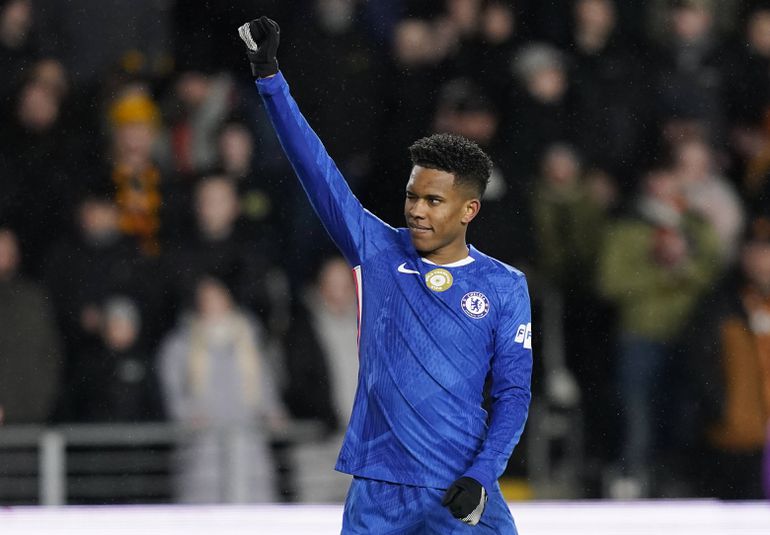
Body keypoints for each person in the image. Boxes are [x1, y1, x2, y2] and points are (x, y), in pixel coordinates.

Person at [235, 16, 532, 532]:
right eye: (412, 196)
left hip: (462, 488)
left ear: (468, 211)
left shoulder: (504, 286)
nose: (416, 210)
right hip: (379, 491)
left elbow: (513, 394)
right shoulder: (375, 248)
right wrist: (270, 79)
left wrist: (483, 474)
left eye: (433, 200)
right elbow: (316, 169)